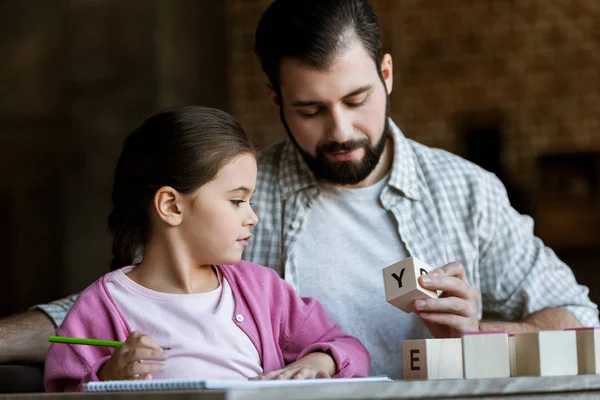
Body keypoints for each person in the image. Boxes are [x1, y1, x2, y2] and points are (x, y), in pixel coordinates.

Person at [0, 0, 597, 380]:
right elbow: (126, 303)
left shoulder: (467, 192)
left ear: (386, 74)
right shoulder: (239, 195)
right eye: (310, 109)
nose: (339, 131)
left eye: (357, 100)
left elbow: (581, 317)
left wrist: (484, 333)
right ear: (275, 100)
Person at [43, 106, 370, 392]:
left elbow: (348, 347)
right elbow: (63, 387)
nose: (252, 217)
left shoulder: (264, 292)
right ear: (171, 206)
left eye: (250, 200)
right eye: (237, 200)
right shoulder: (101, 308)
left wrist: (319, 361)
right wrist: (108, 375)